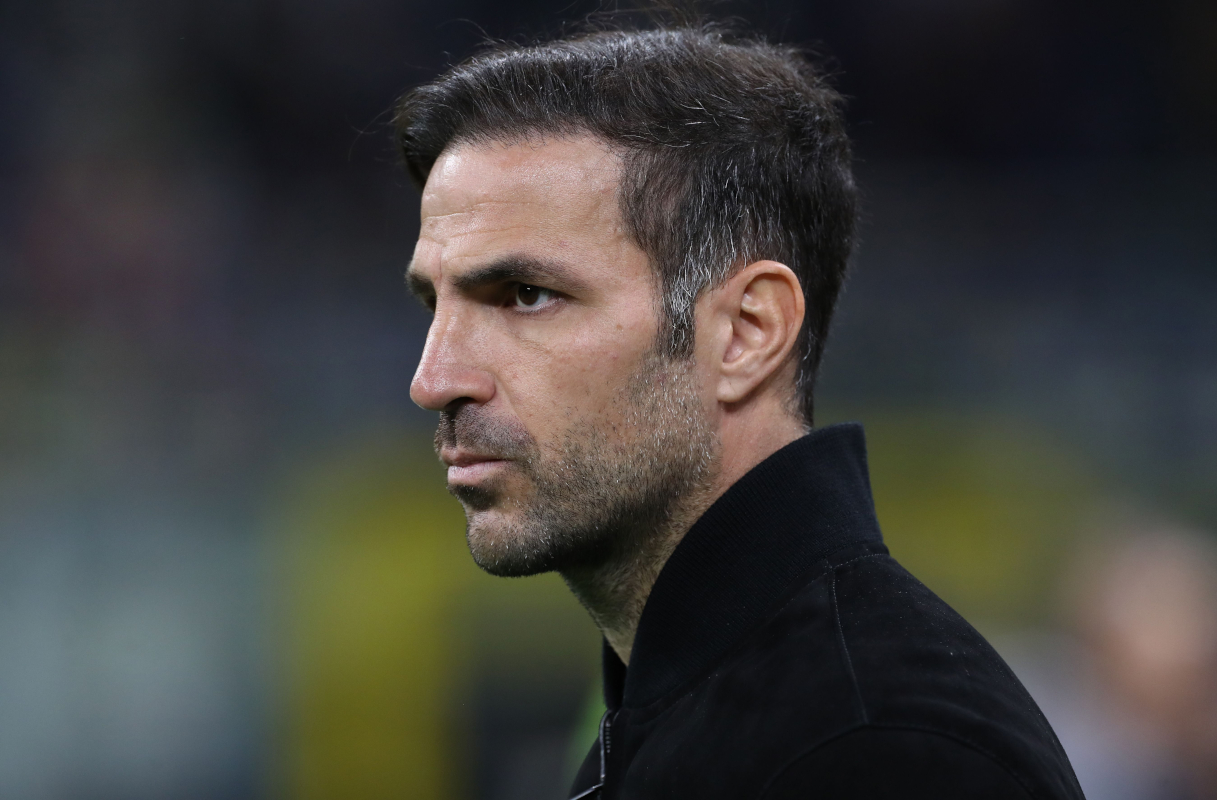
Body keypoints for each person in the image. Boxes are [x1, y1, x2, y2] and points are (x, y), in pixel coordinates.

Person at [394, 22, 1084, 800]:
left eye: (526, 296)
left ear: (746, 334)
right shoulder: (701, 712)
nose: (434, 378)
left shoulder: (879, 752)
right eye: (432, 302)